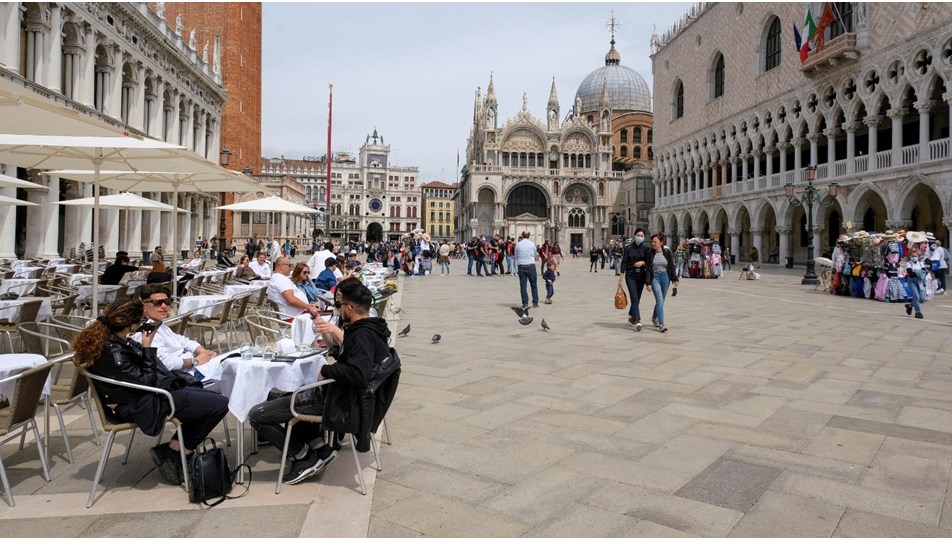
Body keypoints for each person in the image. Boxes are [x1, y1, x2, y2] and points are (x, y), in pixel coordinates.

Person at [71, 299, 228, 485]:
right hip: (140, 404)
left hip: (146, 396)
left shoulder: (112, 341)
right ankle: (177, 453)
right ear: (132, 325)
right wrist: (147, 346)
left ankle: (175, 450)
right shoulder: (115, 352)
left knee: (211, 398)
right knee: (219, 404)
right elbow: (148, 379)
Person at [249, 278, 389, 485]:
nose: (337, 308)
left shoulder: (362, 335)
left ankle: (303, 457)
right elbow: (350, 360)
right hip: (350, 397)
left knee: (257, 415)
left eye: (339, 305)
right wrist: (330, 335)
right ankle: (320, 448)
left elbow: (358, 373)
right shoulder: (375, 328)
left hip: (342, 401)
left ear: (350, 308)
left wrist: (326, 370)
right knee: (286, 397)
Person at [135, 284, 219, 390]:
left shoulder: (159, 324)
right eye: (157, 303)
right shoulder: (145, 333)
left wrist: (202, 351)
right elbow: (165, 364)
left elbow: (182, 340)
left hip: (195, 367)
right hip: (186, 377)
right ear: (144, 306)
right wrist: (195, 360)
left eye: (167, 302)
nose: (164, 306)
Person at [618, 228, 652, 330]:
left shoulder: (646, 249)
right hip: (631, 275)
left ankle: (631, 316)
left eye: (642, 236)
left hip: (641, 275)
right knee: (634, 297)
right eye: (638, 235)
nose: (639, 237)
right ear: (634, 235)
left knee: (637, 298)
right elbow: (624, 262)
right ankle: (637, 320)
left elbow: (649, 263)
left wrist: (643, 263)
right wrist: (621, 277)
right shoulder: (628, 248)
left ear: (644, 237)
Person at [268, 256, 320, 321]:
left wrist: (308, 306)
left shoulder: (278, 278)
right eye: (289, 265)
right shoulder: (280, 279)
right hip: (293, 317)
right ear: (281, 266)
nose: (291, 268)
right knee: (324, 321)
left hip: (297, 313)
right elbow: (291, 300)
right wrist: (308, 307)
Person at [645, 233, 678, 333]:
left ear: (661, 242)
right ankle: (661, 324)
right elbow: (647, 269)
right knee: (659, 299)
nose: (653, 244)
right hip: (655, 278)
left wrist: (675, 279)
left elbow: (671, 266)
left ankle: (654, 317)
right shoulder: (650, 253)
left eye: (655, 242)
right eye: (652, 242)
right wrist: (648, 283)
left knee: (661, 301)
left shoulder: (667, 252)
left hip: (665, 277)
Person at [514, 231, 540, 309]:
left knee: (523, 285)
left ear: (522, 235)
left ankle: (525, 303)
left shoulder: (518, 244)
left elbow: (516, 256)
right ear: (529, 236)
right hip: (530, 265)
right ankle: (535, 302)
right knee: (534, 285)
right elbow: (535, 255)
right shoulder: (532, 244)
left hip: (521, 265)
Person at [904, 244, 926, 319]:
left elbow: (924, 271)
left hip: (919, 281)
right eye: (913, 256)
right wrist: (919, 273)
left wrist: (918, 272)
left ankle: (910, 305)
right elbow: (910, 272)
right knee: (916, 296)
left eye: (915, 256)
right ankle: (918, 312)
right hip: (911, 281)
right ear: (910, 256)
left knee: (921, 298)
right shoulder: (908, 263)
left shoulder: (920, 263)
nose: (914, 257)